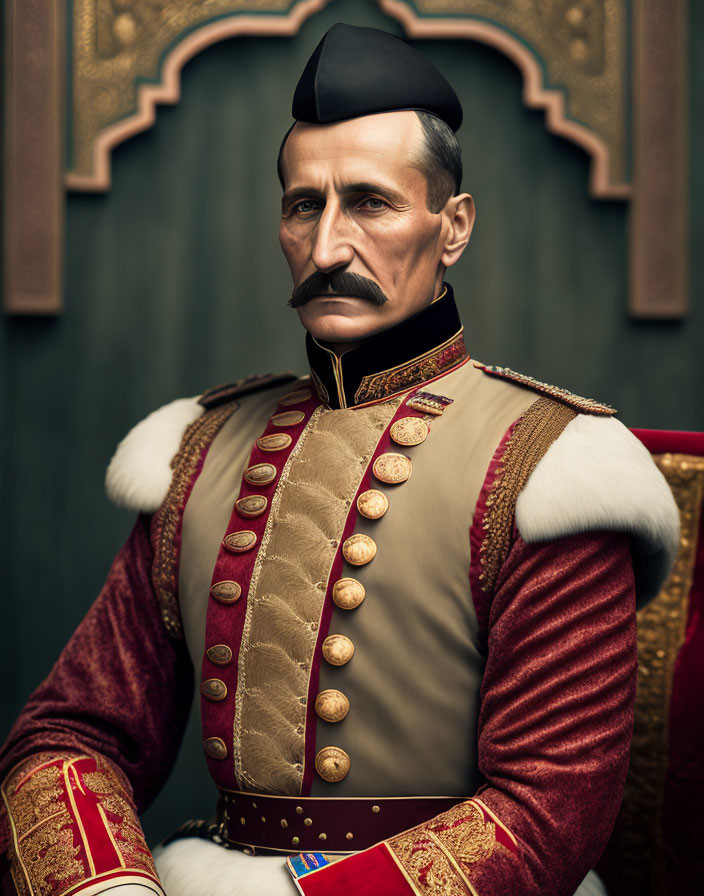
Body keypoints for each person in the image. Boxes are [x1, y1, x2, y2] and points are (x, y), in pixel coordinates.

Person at [0, 23, 679, 896]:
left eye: (369, 203)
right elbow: (68, 735)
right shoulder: (199, 454)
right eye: (301, 206)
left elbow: (548, 812)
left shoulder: (552, 466)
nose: (326, 250)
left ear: (454, 225)